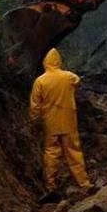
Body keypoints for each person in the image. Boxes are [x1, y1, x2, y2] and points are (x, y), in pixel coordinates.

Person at [29, 48, 92, 202]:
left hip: (50, 123)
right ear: (58, 61)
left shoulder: (40, 81)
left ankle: (51, 186)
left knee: (51, 153)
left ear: (45, 62)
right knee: (73, 152)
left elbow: (35, 105)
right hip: (69, 121)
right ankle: (84, 184)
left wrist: (34, 121)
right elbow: (77, 80)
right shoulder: (69, 77)